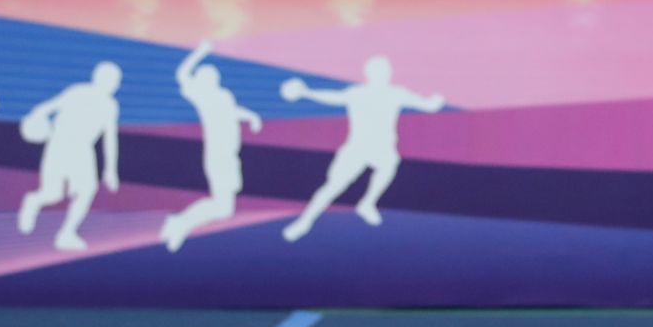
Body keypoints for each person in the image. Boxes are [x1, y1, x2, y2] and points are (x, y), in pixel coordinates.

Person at [279, 57, 443, 242]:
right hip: (357, 148)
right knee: (333, 186)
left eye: (384, 71)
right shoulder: (360, 93)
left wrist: (435, 101)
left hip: (381, 149)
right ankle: (304, 222)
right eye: (379, 71)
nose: (382, 74)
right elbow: (333, 97)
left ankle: (366, 204)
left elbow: (428, 106)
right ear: (370, 74)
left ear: (388, 73)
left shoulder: (395, 93)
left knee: (389, 164)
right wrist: (306, 92)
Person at [161, 41, 264, 252]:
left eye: (213, 75)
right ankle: (180, 223)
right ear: (202, 81)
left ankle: (180, 223)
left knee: (224, 207)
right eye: (206, 76)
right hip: (218, 155)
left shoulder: (223, 95)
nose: (212, 78)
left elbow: (232, 111)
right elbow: (182, 74)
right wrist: (199, 53)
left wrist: (251, 116)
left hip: (231, 155)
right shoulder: (202, 96)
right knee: (223, 207)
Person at [16, 62, 123, 252]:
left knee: (86, 190)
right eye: (112, 80)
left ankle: (66, 234)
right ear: (99, 78)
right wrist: (35, 119)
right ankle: (33, 201)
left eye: (116, 81)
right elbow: (49, 106)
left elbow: (110, 139)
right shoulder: (78, 92)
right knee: (52, 193)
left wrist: (110, 170)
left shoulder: (110, 106)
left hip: (82, 150)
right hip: (60, 143)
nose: (115, 84)